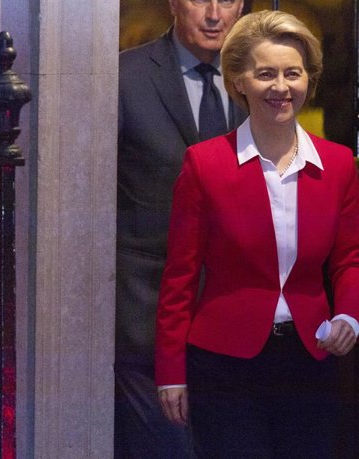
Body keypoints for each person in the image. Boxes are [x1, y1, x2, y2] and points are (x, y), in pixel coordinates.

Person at [155, 10, 359, 458]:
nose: (281, 87)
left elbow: (351, 258)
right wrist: (171, 371)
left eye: (293, 73)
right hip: (224, 367)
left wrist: (349, 317)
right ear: (239, 81)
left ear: (308, 79)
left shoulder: (339, 164)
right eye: (265, 74)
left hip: (310, 358)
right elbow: (179, 277)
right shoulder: (204, 164)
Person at [115, 0, 247, 457]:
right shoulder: (124, 77)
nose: (214, 14)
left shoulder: (259, 80)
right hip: (145, 325)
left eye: (227, 0)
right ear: (173, 3)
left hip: (236, 331)